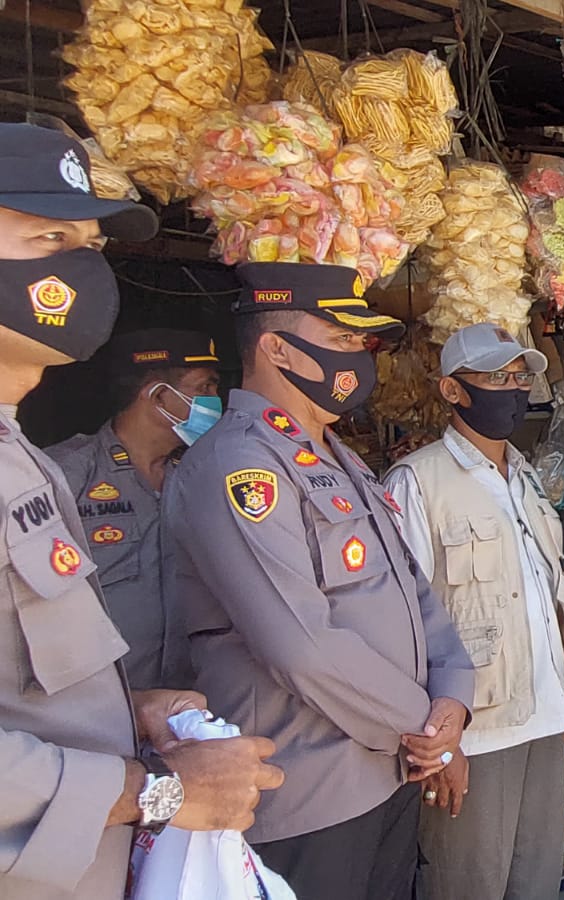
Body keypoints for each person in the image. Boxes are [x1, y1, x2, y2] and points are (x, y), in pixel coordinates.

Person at [0, 123, 280, 900]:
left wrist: (124, 713)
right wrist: (159, 790)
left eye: (89, 245)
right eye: (48, 237)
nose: (82, 270)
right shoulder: (63, 466)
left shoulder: (19, 456)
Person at [161, 262, 474, 900]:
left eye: (362, 343)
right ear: (277, 348)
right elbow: (301, 646)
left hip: (390, 772)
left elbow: (415, 596)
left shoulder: (335, 453)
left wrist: (453, 703)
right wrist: (425, 727)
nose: (359, 358)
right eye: (341, 340)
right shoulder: (239, 463)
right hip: (305, 792)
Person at [383, 323, 564, 900]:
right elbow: (402, 625)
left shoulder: (526, 479)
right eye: (497, 377)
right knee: (468, 884)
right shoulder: (417, 482)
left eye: (520, 377)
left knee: (535, 883)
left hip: (544, 716)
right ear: (452, 391)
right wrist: (440, 746)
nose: (514, 389)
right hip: (475, 733)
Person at [47, 328, 220, 689]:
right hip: (94, 706)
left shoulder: (202, 474)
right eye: (204, 388)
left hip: (189, 705)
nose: (214, 400)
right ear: (158, 396)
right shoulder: (64, 474)